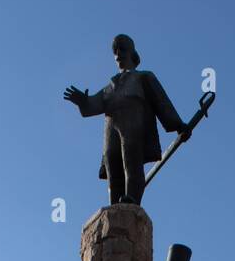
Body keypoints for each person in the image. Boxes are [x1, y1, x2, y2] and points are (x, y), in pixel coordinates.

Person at [64, 34, 190, 205]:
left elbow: (161, 101)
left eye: (122, 49)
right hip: (112, 128)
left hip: (133, 125)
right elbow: (91, 107)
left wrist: (178, 125)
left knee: (131, 160)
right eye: (115, 51)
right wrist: (82, 102)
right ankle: (114, 206)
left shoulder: (143, 77)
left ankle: (132, 199)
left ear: (132, 52)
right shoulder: (110, 87)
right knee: (112, 161)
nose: (118, 54)